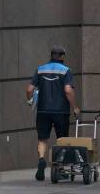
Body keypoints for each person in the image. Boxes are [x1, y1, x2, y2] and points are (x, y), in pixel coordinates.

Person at [25, 46, 80, 181]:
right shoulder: (66, 71)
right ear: (62, 57)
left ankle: (42, 159)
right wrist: (75, 107)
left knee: (42, 138)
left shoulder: (40, 69)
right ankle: (60, 168)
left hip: (43, 110)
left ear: (51, 56)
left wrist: (30, 100)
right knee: (61, 139)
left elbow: (29, 89)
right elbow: (68, 90)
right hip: (61, 111)